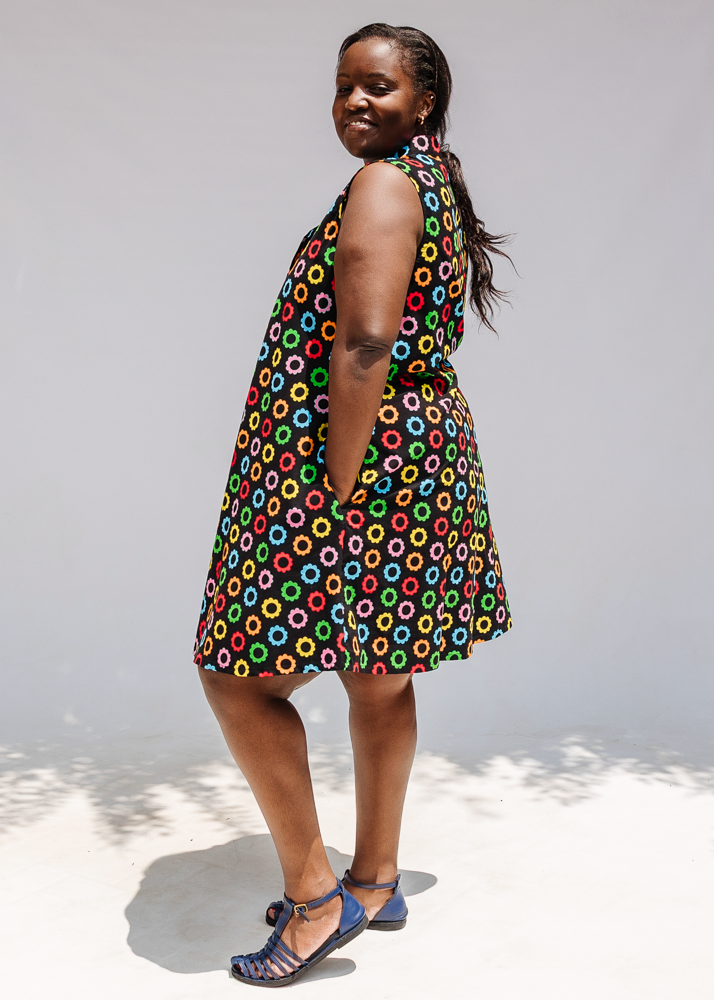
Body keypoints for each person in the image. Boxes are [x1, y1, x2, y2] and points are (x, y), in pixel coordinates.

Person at [195, 22, 513, 987]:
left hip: (359, 467)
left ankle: (317, 899)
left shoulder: (383, 184)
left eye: (377, 85)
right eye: (343, 86)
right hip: (419, 457)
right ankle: (374, 879)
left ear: (424, 101)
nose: (354, 102)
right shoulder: (430, 180)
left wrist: (331, 485)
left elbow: (366, 343)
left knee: (237, 676)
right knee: (378, 674)